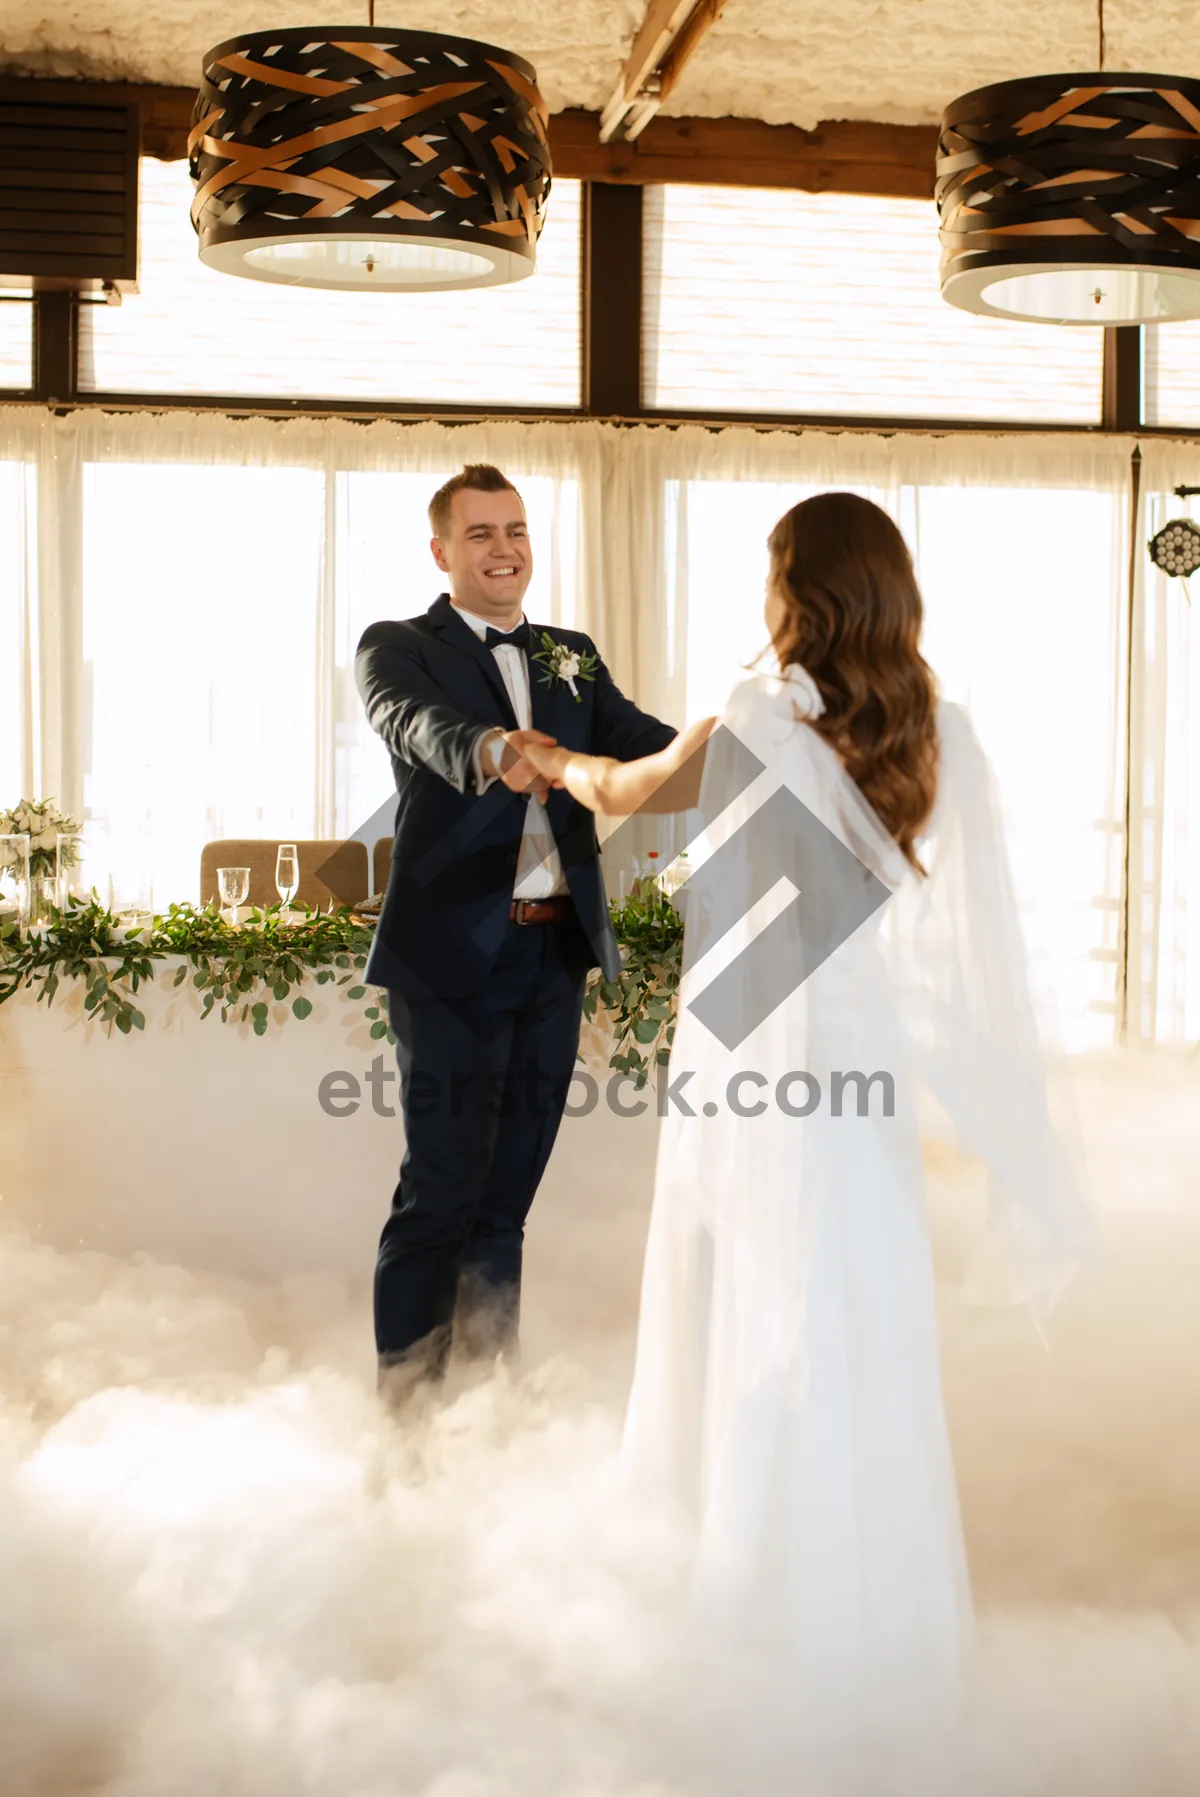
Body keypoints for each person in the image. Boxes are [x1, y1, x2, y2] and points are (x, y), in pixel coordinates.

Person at [520, 491, 1092, 1738]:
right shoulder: (945, 737)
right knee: (859, 1334)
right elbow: (970, 953)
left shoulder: (755, 714)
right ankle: (876, 1639)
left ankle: (739, 1623)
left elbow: (623, 796)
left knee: (739, 1314)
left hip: (746, 1073)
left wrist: (550, 759)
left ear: (798, 590)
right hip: (859, 1075)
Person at [355, 463, 676, 1403]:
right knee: (442, 1193)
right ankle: (406, 1414)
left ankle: (485, 1414)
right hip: (451, 957)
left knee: (506, 1203)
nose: (505, 549)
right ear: (442, 551)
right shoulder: (398, 644)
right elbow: (412, 723)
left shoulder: (569, 654)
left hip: (552, 954)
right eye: (483, 533)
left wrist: (747, 736)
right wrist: (495, 750)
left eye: (517, 531)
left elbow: (648, 746)